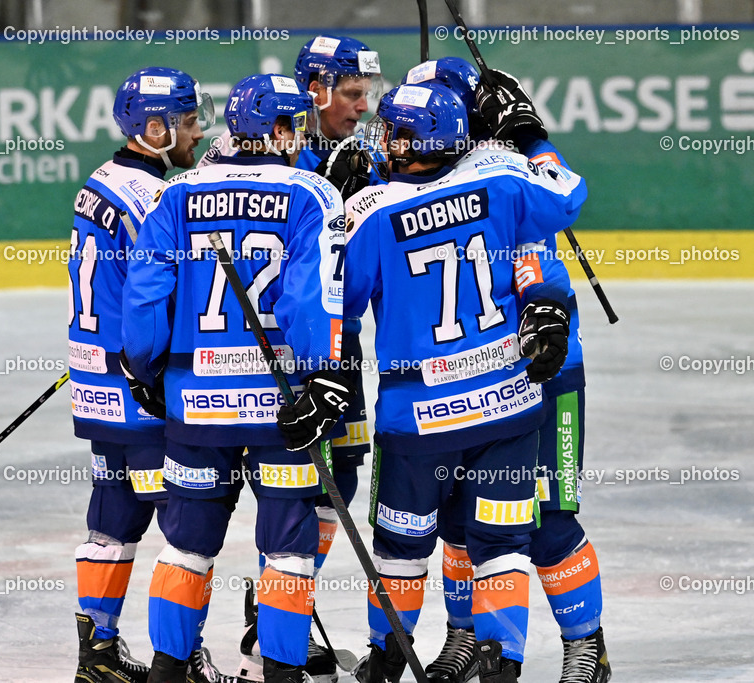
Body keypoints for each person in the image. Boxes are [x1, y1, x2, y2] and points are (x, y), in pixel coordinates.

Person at [343, 80, 587, 682]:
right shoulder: (504, 175)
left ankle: (386, 662)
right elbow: (569, 194)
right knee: (499, 545)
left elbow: (337, 300)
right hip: (509, 403)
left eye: (395, 130)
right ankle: (496, 662)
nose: (386, 139)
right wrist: (530, 136)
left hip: (418, 416)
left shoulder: (372, 210)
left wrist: (341, 203)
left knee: (404, 550)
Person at [120, 72, 353, 683]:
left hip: (196, 406)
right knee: (287, 550)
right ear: (277, 129)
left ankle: (169, 670)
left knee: (186, 546)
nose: (300, 131)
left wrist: (145, 370)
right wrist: (323, 376)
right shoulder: (311, 193)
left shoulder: (178, 193)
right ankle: (279, 672)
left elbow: (145, 297)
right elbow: (309, 303)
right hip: (282, 410)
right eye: (294, 122)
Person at [402, 60, 611, 683]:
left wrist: (528, 139)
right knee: (464, 522)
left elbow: (564, 201)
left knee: (545, 519)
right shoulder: (416, 171)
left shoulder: (505, 171)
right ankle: (471, 643)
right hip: (460, 381)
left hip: (542, 372)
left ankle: (586, 650)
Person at [70, 66, 218, 683]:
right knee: (187, 529)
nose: (197, 133)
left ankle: (97, 653)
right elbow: (157, 298)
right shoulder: (155, 199)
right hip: (140, 388)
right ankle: (177, 661)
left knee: (113, 517)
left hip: (95, 382)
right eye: (187, 123)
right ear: (154, 130)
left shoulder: (98, 183)